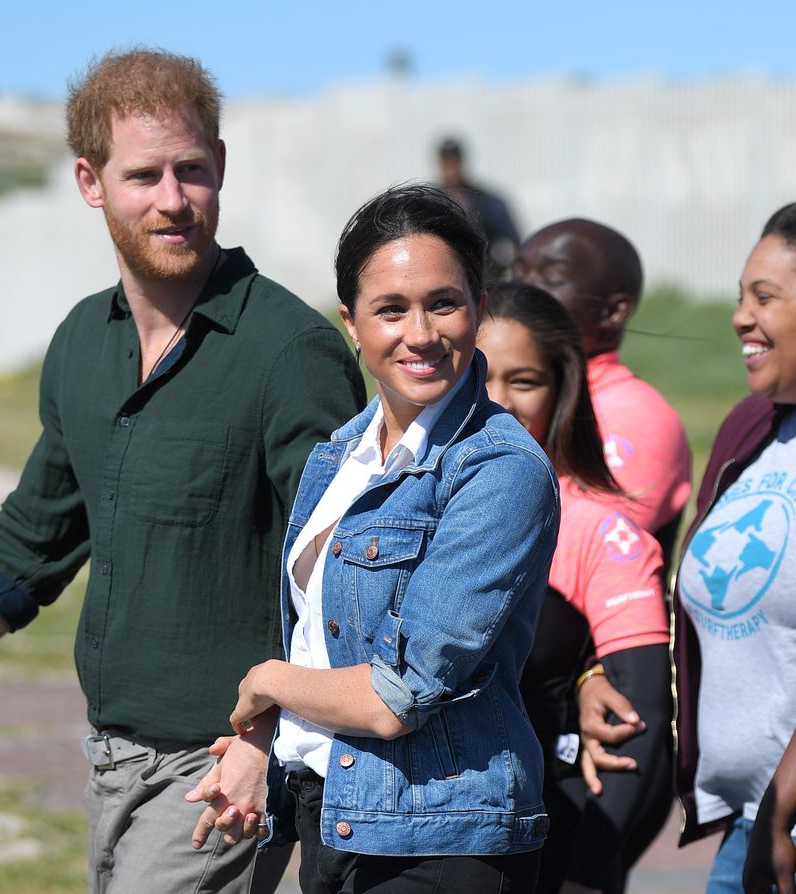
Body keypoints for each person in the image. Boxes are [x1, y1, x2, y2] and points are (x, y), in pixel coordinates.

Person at [0, 48, 365, 894]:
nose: (174, 199)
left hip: (221, 770)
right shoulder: (83, 342)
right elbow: (28, 542)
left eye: (192, 170)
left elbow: (347, 577)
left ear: (220, 167)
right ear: (90, 182)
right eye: (144, 175)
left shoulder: (289, 352)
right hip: (111, 763)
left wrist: (268, 739)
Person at [189, 183, 560, 893]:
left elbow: (400, 694)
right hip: (333, 815)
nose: (420, 334)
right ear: (352, 325)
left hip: (444, 839)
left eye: (443, 303)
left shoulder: (500, 469)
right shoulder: (339, 457)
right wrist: (260, 739)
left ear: (478, 306)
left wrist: (266, 686)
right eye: (391, 309)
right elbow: (321, 643)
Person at [578, 203, 796, 894]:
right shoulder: (749, 429)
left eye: (765, 298)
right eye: (739, 297)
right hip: (747, 821)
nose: (739, 317)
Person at [479, 282, 672, 894]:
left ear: (562, 391)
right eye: (480, 374)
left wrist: (587, 876)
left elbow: (642, 721)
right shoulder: (397, 500)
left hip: (554, 844)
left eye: (524, 381)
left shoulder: (599, 528)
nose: (498, 401)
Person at [512, 218, 691, 561]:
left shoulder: (634, 416)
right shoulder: (498, 396)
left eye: (550, 277)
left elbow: (589, 550)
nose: (523, 290)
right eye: (518, 273)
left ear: (613, 311)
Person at [437, 136, 520, 278]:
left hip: (481, 276)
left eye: (454, 162)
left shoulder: (485, 200)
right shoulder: (433, 199)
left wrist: (497, 267)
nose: (451, 169)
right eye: (447, 163)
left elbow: (512, 240)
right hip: (444, 274)